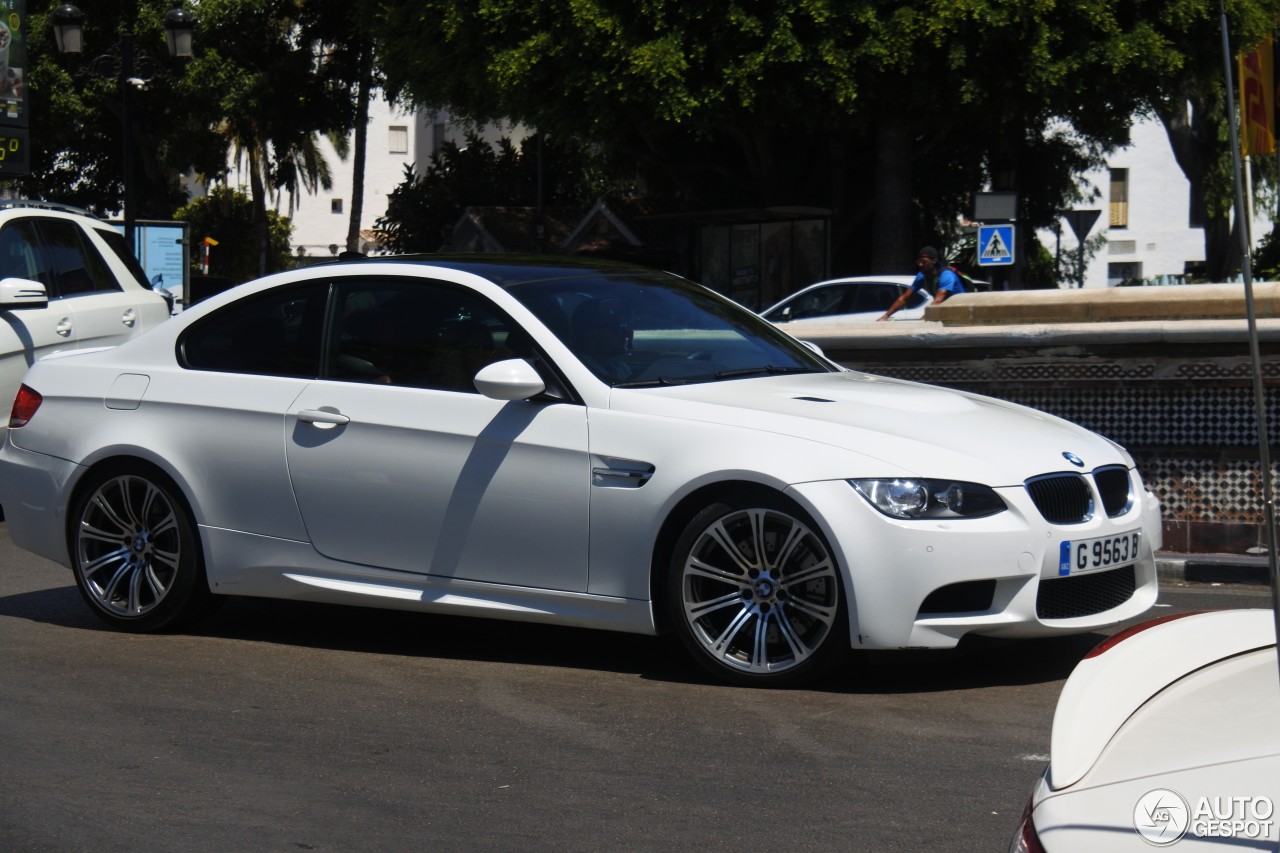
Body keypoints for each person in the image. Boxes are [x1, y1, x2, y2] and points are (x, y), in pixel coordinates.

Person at [878, 246, 965, 321]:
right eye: (919, 261)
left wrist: (924, 317)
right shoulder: (921, 276)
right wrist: (885, 316)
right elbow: (904, 298)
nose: (920, 264)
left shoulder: (946, 275)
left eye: (924, 262)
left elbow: (938, 300)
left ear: (934, 261)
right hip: (944, 309)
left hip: (959, 310)